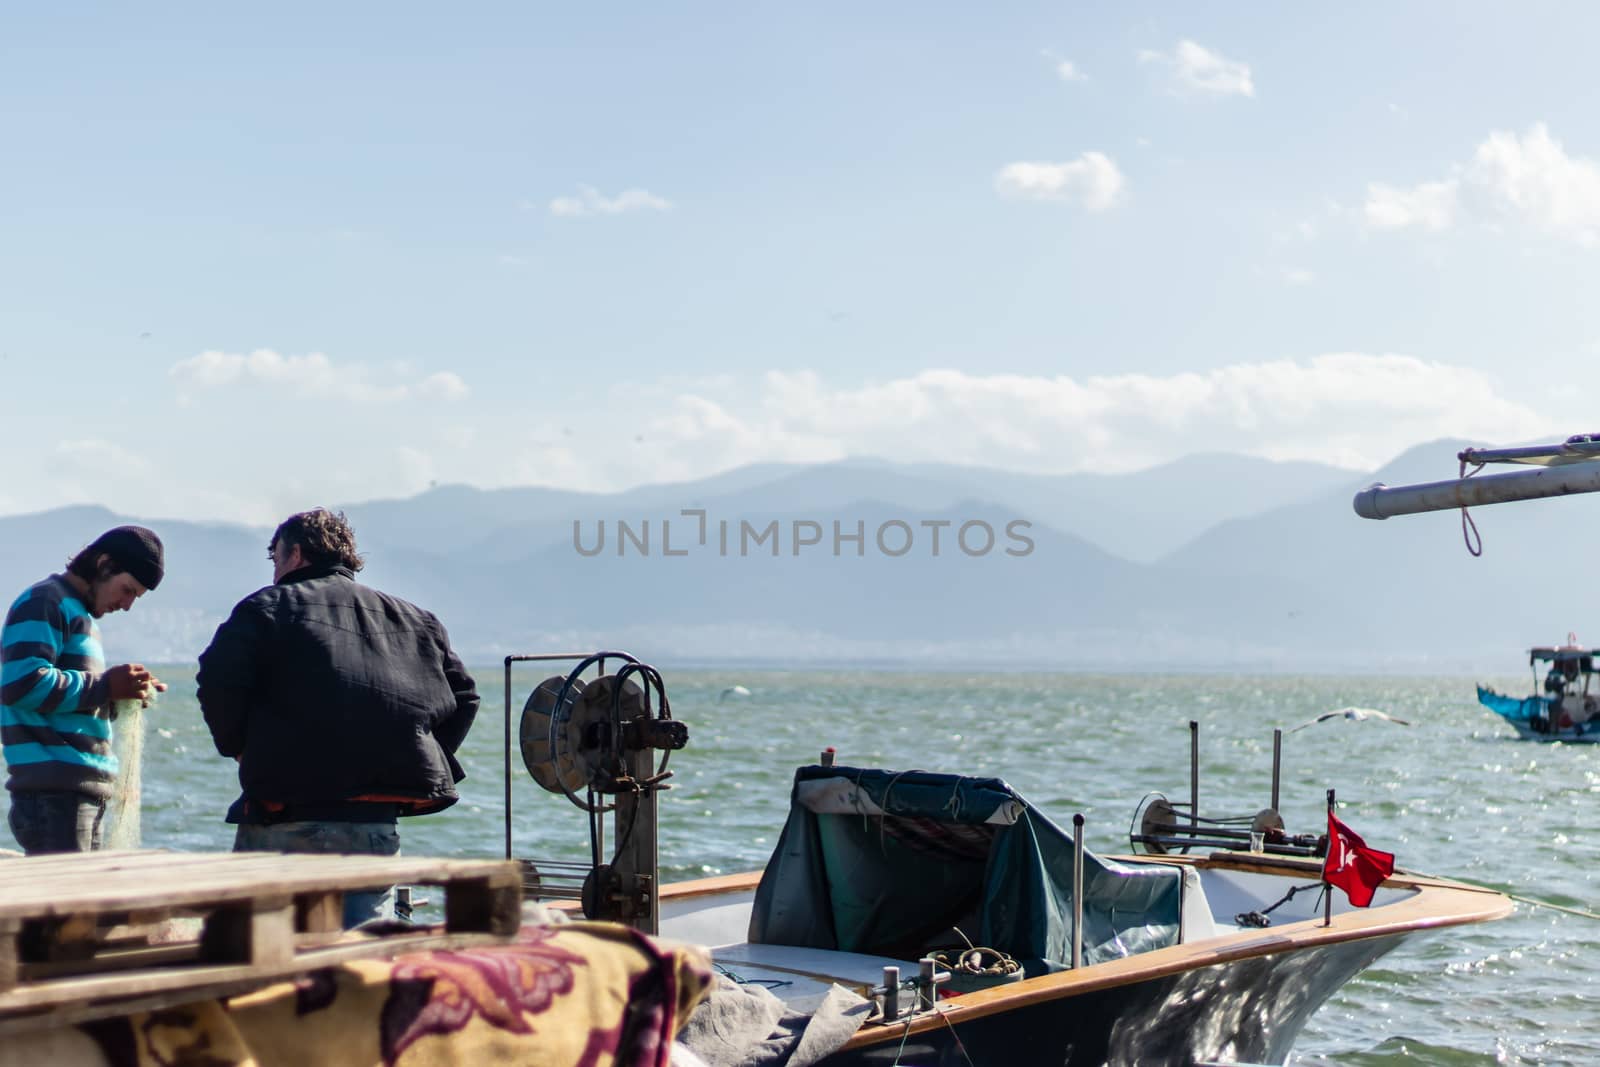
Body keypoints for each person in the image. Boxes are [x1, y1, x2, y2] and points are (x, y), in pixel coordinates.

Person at [196, 508, 479, 927]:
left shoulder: (266, 608)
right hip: (374, 821)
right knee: (363, 954)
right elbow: (465, 697)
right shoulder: (417, 619)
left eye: (274, 557)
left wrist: (239, 748)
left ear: (295, 555)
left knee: (269, 952)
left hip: (286, 811)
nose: (273, 568)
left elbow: (217, 680)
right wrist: (412, 755)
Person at [1, 526, 167, 854]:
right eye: (128, 590)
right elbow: (20, 684)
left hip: (72, 794)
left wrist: (121, 695)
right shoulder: (45, 602)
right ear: (104, 564)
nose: (127, 604)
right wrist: (106, 685)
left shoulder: (79, 614)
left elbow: (71, 702)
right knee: (67, 904)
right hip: (55, 795)